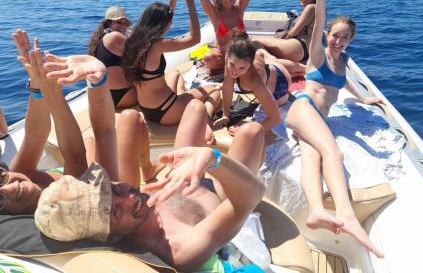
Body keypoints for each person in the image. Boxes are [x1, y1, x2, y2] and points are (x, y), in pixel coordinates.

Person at [35, 53, 267, 271]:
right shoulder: (180, 248)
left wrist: (97, 79)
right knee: (252, 131)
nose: (129, 196)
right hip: (223, 195)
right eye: (115, 211)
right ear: (110, 237)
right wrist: (214, 159)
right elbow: (251, 197)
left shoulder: (115, 206)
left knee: (195, 107)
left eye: (113, 189)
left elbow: (104, 131)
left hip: (176, 179)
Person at [286, 0, 384, 258]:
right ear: (327, 33)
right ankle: (346, 213)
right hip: (303, 108)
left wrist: (363, 98)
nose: (339, 40)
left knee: (312, 157)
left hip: (316, 121)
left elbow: (344, 84)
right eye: (335, 34)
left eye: (345, 37)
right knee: (334, 153)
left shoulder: (344, 62)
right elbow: (318, 18)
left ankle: (316, 210)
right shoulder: (317, 53)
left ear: (350, 40)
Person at [0, 32, 95, 214]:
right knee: (93, 146)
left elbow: (35, 135)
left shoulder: (18, 174)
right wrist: (53, 94)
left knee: (90, 141)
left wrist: (37, 82)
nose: (9, 188)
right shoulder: (60, 201)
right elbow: (76, 157)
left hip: (58, 171)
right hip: (82, 177)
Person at [122, 0, 220, 133]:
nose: (171, 23)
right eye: (169, 21)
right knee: (214, 92)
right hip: (166, 111)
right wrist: (189, 1)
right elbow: (195, 39)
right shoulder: (158, 45)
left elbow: (165, 17)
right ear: (162, 24)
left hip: (147, 108)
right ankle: (206, 121)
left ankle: (184, 98)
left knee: (174, 73)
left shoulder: (132, 39)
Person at [213, 30, 283, 135]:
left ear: (250, 64)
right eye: (232, 64)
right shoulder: (231, 56)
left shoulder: (254, 80)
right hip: (265, 67)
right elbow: (228, 85)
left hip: (278, 79)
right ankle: (266, 57)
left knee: (289, 67)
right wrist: (226, 115)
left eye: (242, 68)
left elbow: (275, 118)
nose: (235, 71)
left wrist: (246, 133)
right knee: (270, 60)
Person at [254, 0, 318, 63]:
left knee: (255, 41)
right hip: (305, 50)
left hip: (299, 47)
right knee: (262, 48)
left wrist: (282, 40)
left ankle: (271, 59)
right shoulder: (315, 10)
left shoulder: (310, 8)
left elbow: (293, 33)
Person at [87, 5, 137, 108]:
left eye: (125, 23)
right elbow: (140, 58)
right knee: (172, 76)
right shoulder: (115, 37)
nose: (123, 26)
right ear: (109, 23)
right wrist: (133, 39)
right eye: (119, 22)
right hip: (122, 95)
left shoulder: (100, 39)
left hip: (107, 96)